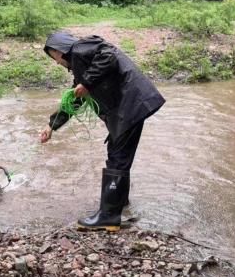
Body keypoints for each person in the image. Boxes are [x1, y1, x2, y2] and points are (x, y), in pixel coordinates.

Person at [41, 32, 165, 231]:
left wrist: (87, 82)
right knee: (117, 156)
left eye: (53, 56)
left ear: (60, 50)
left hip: (130, 105)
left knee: (118, 157)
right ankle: (119, 206)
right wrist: (51, 126)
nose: (56, 62)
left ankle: (109, 216)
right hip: (129, 107)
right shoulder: (82, 65)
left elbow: (109, 52)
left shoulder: (81, 47)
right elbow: (75, 99)